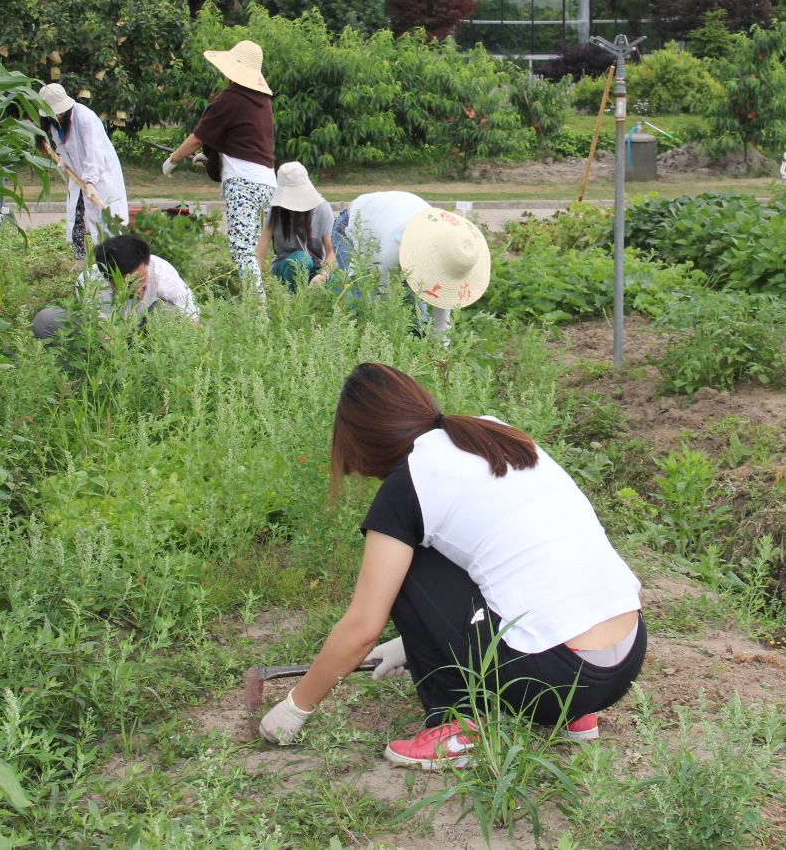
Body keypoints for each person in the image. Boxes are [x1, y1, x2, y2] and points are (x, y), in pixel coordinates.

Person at [258, 363, 646, 770]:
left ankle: (456, 725)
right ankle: (573, 716)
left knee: (405, 561)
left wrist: (295, 707)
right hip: (624, 659)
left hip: (557, 678)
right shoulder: (491, 432)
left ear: (363, 441)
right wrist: (418, 642)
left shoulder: (408, 484)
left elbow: (362, 629)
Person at [160, 40, 276, 287]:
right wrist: (211, 159)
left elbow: (198, 137)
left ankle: (257, 304)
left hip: (244, 184)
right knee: (252, 248)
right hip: (265, 181)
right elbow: (242, 142)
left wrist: (172, 160)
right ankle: (258, 296)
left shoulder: (230, 98)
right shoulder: (262, 100)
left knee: (242, 251)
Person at [334, 193, 490, 336]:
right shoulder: (393, 250)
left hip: (396, 215)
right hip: (355, 225)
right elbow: (382, 298)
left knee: (419, 323)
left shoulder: (451, 251)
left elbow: (442, 322)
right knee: (364, 307)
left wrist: (442, 348)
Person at [38, 83, 128, 260]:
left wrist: (90, 182)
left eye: (59, 112)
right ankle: (87, 259)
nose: (58, 115)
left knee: (108, 219)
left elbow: (93, 152)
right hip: (77, 174)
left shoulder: (85, 119)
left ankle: (117, 261)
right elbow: (65, 145)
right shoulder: (53, 123)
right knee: (80, 216)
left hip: (100, 174)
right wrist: (63, 159)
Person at [256, 162, 336, 290]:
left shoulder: (322, 209)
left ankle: (312, 296)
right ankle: (294, 298)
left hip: (316, 268)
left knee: (337, 280)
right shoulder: (276, 211)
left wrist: (323, 275)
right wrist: (255, 286)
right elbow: (259, 253)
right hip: (286, 267)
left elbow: (332, 251)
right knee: (301, 259)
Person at [90, 234, 199, 322]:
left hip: (150, 329)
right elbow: (101, 334)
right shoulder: (91, 283)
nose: (137, 290)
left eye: (140, 279)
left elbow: (191, 318)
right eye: (129, 284)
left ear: (147, 263)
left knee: (168, 310)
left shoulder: (162, 273)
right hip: (115, 333)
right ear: (109, 280)